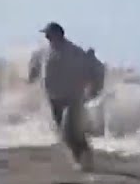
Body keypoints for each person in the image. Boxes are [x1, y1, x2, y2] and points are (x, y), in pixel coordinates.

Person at [27, 22, 103, 172]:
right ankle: (81, 158)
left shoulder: (73, 51)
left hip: (72, 97)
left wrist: (94, 88)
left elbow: (94, 67)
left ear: (58, 34)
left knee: (70, 130)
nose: (46, 37)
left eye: (48, 34)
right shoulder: (44, 51)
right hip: (54, 98)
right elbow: (35, 67)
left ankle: (85, 156)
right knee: (64, 134)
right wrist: (31, 76)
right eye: (46, 34)